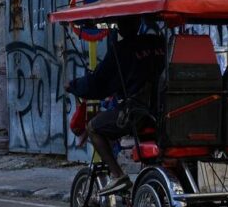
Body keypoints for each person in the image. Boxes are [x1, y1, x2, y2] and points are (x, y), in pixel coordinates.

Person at [65, 16, 165, 195]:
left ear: (120, 28)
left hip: (137, 113)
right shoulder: (159, 42)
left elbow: (98, 82)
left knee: (93, 127)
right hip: (163, 111)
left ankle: (118, 175)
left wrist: (73, 86)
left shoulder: (121, 50)